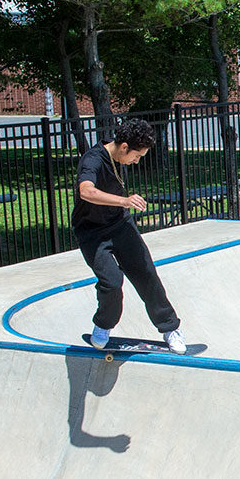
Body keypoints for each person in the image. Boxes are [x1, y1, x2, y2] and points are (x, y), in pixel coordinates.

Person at [73, 117, 186, 353]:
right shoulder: (92, 160)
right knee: (112, 281)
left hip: (120, 225)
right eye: (137, 156)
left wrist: (121, 208)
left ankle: (170, 328)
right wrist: (124, 201)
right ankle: (103, 326)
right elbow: (86, 191)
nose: (136, 161)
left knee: (145, 273)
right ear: (124, 147)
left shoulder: (118, 155)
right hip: (93, 233)